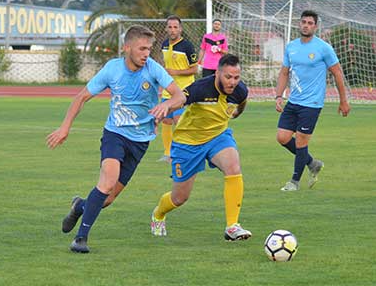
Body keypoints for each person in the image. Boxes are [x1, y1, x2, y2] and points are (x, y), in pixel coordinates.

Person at [46, 25, 185, 253]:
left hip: (140, 141)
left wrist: (167, 104)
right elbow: (81, 97)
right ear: (127, 48)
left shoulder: (153, 68)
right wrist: (64, 128)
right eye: (141, 49)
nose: (146, 54)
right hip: (115, 134)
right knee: (107, 181)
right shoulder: (112, 69)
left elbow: (179, 96)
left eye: (149, 49)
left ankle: (79, 207)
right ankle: (80, 239)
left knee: (107, 199)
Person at [150, 54, 252, 241]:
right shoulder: (201, 87)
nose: (232, 82)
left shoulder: (240, 90)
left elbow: (242, 103)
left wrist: (236, 113)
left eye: (236, 77)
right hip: (188, 143)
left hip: (218, 137)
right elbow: (180, 99)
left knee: (233, 167)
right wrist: (165, 108)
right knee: (179, 198)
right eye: (228, 77)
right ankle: (158, 214)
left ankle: (232, 226)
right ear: (217, 73)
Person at [275, 10, 350, 191]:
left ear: (315, 27)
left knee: (301, 141)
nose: (306, 25)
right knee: (282, 138)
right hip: (293, 101)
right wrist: (279, 95)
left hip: (312, 104)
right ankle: (312, 163)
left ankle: (294, 182)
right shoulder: (291, 47)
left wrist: (343, 101)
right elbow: (284, 73)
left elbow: (337, 73)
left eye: (310, 23)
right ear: (299, 24)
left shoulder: (323, 48)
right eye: (303, 22)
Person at [159, 15, 199, 162]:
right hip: (168, 89)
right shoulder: (164, 45)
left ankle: (184, 152)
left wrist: (176, 72)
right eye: (170, 27)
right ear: (166, 28)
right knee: (166, 120)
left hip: (183, 90)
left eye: (175, 27)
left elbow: (194, 69)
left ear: (180, 29)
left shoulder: (187, 46)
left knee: (178, 120)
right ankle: (167, 154)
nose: (172, 30)